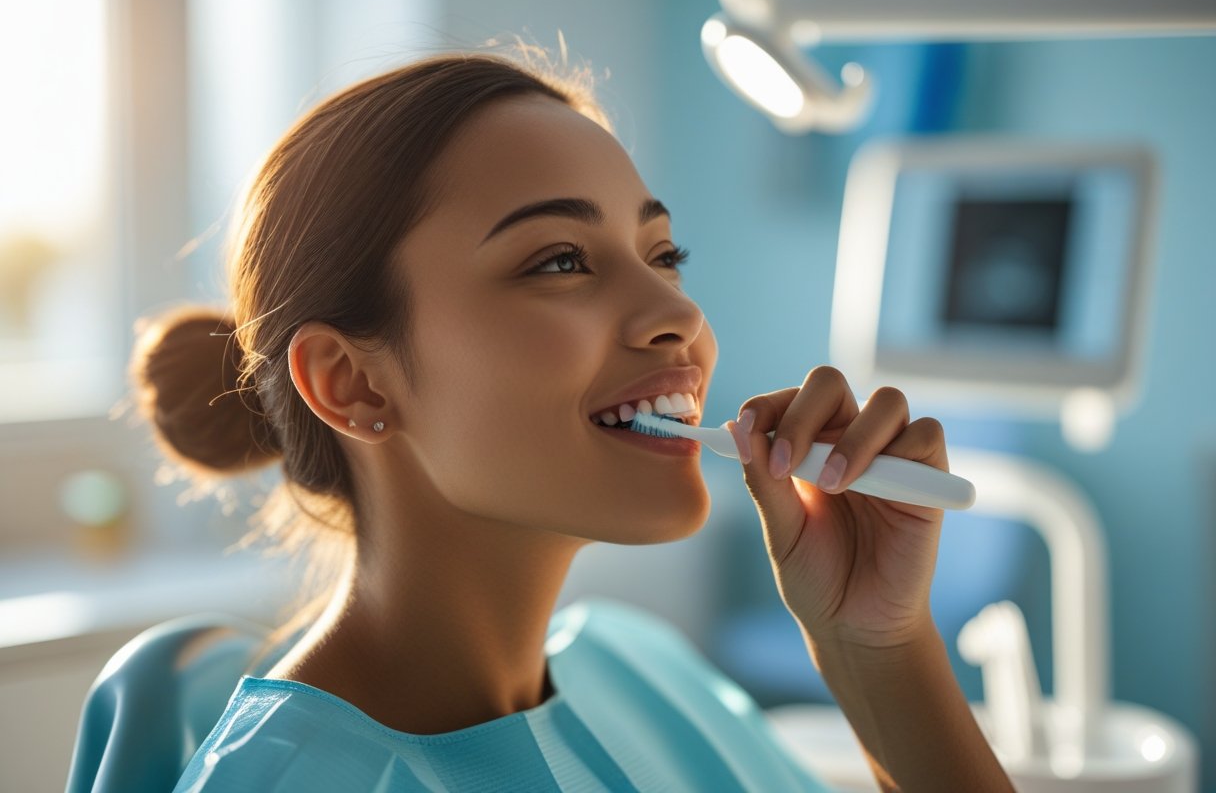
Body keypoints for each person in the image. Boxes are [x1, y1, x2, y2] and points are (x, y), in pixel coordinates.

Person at [119, 49, 1013, 791]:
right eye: (558, 261)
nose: (678, 314)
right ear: (352, 383)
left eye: (663, 254)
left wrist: (876, 651)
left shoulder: (644, 672)